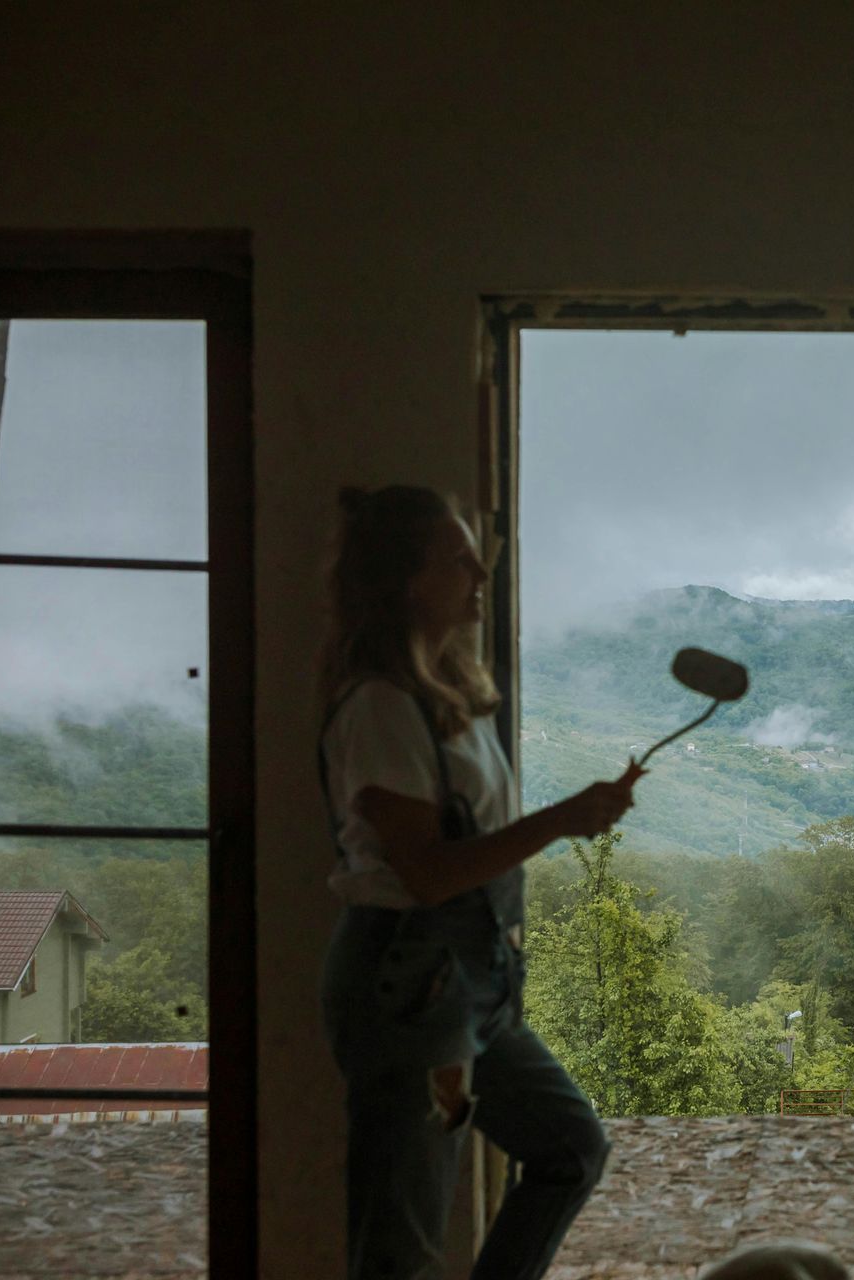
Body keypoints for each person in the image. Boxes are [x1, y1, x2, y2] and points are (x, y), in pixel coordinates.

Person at [317, 484, 646, 1280]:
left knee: (570, 1148)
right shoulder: (381, 708)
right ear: (405, 580)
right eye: (458, 558)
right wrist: (564, 819)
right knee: (400, 1242)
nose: (477, 573)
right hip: (408, 988)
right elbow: (427, 874)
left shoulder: (447, 702)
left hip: (465, 983)